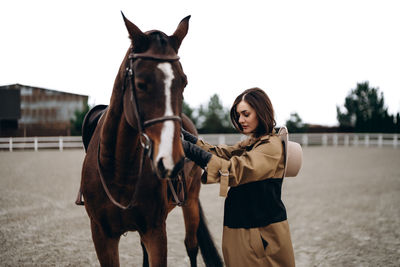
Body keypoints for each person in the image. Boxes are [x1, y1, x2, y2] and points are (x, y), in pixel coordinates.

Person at [181, 87, 295, 267]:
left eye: (245, 114)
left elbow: (233, 171)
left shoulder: (270, 147)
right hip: (243, 228)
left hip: (259, 236)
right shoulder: (253, 142)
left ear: (261, 112)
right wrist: (187, 137)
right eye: (238, 115)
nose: (240, 120)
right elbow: (221, 153)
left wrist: (186, 148)